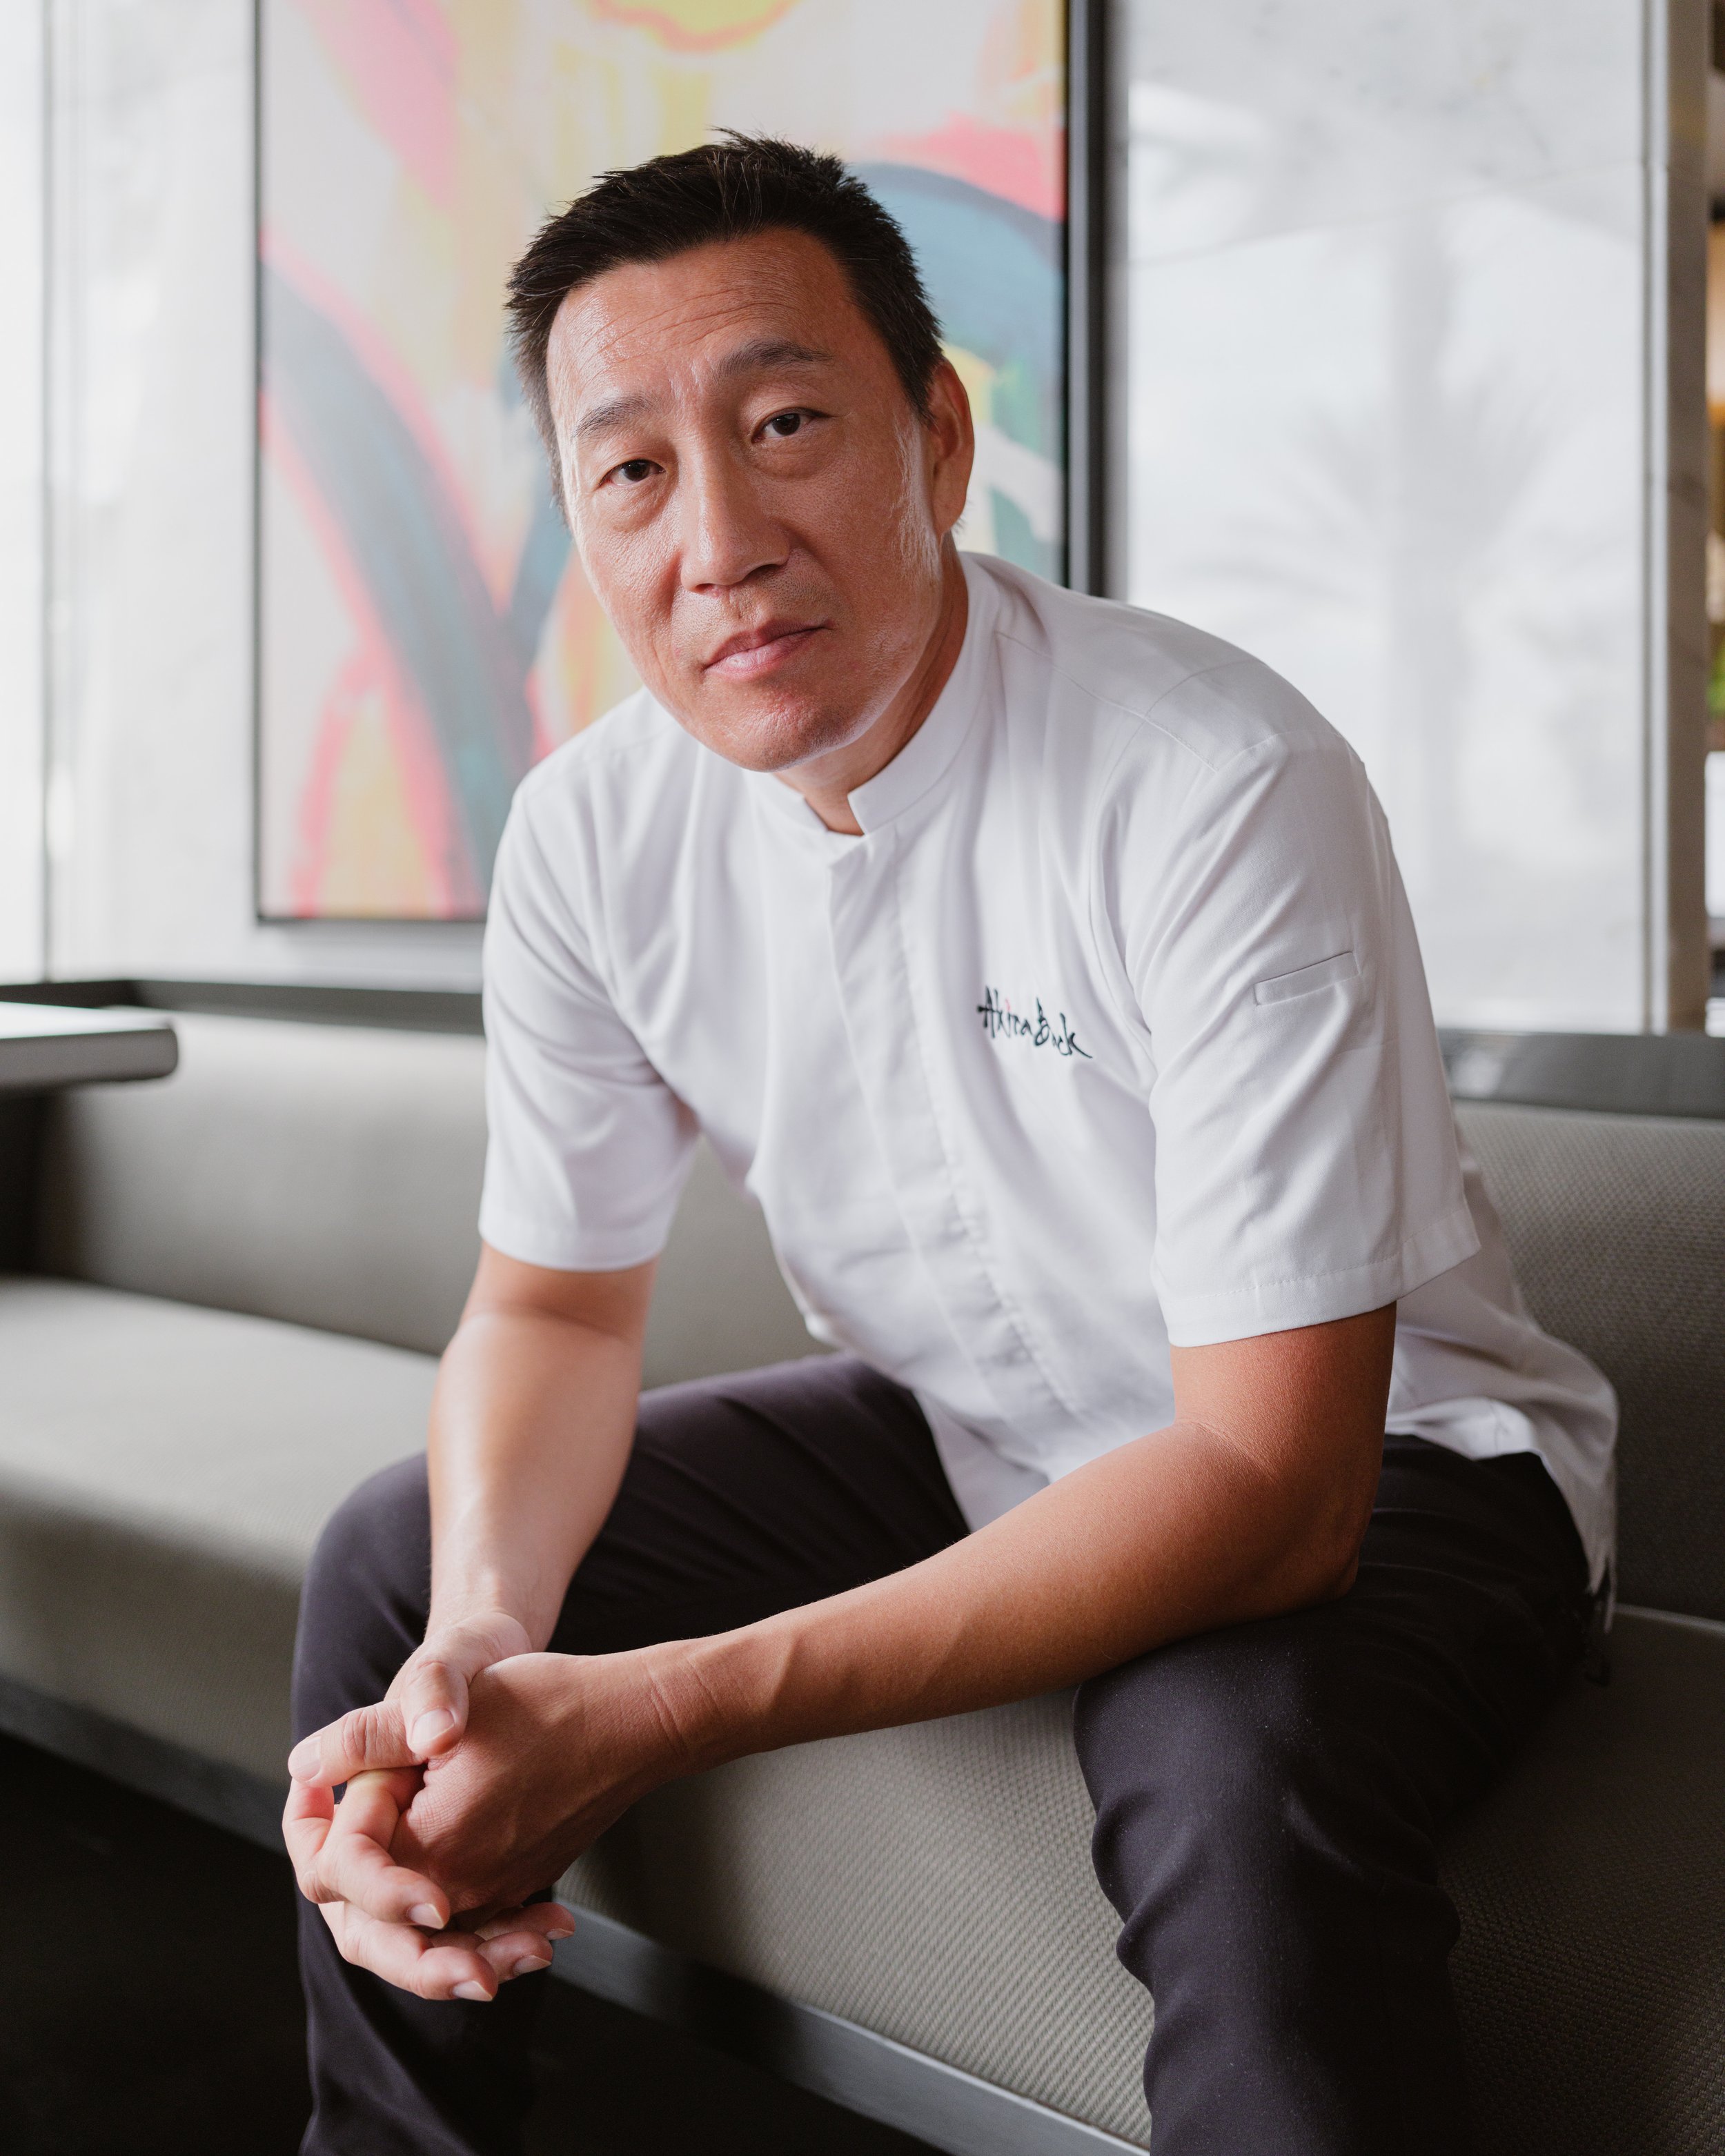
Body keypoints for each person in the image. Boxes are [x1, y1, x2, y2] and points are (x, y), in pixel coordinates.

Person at [283, 135, 1616, 2156]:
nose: (719, 542)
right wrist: (484, 1634)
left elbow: (1270, 1490)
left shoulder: (1212, 780)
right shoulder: (589, 835)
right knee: (400, 1565)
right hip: (974, 1425)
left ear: (938, 438)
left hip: (1392, 1453)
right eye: (631, 471)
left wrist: (659, 1704)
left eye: (785, 425)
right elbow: (549, 1310)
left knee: (1228, 1745)